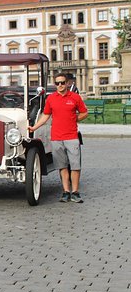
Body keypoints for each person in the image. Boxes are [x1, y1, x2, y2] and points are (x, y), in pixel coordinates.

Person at [29, 72, 88, 203]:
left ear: (67, 83)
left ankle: (76, 192)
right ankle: (66, 192)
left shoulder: (75, 97)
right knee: (62, 166)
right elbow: (45, 116)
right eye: (57, 83)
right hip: (56, 137)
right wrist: (34, 127)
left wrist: (75, 119)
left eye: (62, 83)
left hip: (71, 136)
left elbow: (84, 112)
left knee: (75, 166)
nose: (60, 85)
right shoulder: (51, 99)